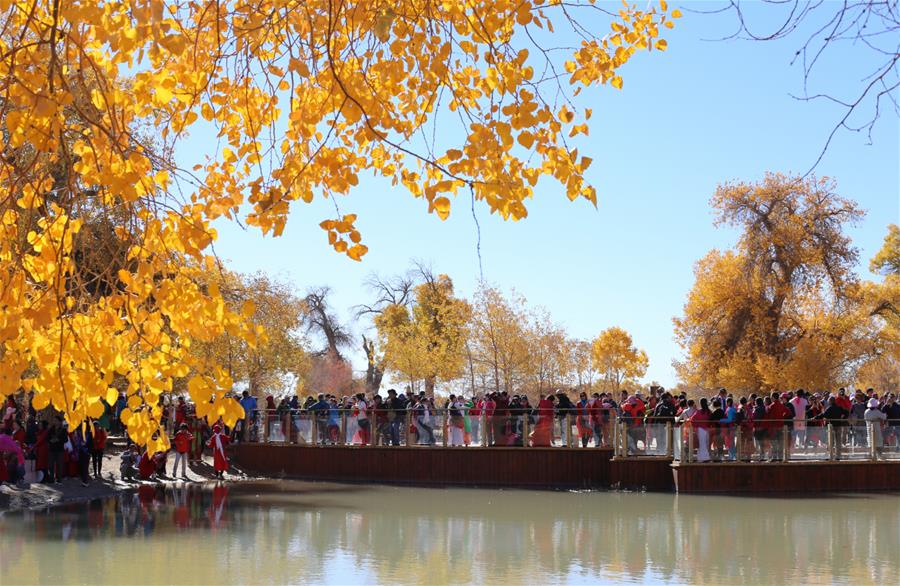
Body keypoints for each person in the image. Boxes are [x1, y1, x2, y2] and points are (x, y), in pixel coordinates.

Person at [689, 398, 712, 462]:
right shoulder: (709, 411)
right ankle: (705, 457)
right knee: (706, 443)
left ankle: (702, 458)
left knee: (702, 444)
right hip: (707, 429)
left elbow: (692, 420)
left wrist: (695, 427)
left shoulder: (699, 412)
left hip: (700, 429)